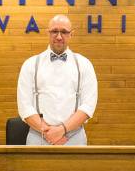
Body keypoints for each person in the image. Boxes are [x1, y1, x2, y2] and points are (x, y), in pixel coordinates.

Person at [17, 15, 98, 145]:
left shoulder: (84, 64)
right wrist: (49, 132)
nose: (59, 37)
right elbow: (24, 106)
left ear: (71, 34)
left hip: (74, 137)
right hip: (39, 137)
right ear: (48, 33)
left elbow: (88, 106)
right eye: (55, 31)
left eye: (64, 32)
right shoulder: (30, 64)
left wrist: (62, 130)